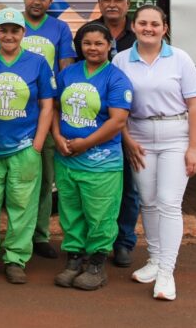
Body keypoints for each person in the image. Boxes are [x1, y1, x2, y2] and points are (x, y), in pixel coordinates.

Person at [113, 4, 196, 301]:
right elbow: (117, 107)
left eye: (155, 24)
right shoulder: (121, 60)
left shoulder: (180, 59)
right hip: (138, 137)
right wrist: (126, 138)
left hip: (174, 137)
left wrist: (194, 148)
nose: (148, 28)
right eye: (142, 23)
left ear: (165, 28)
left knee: (168, 202)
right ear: (134, 26)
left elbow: (195, 105)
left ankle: (166, 271)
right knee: (148, 203)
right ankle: (153, 260)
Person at [0, 7, 55, 285]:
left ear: (23, 33)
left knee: (23, 206)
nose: (9, 35)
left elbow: (46, 105)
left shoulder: (37, 63)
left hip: (24, 147)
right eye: (3, 29)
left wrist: (38, 144)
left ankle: (16, 258)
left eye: (14, 30)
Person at [52, 22, 132, 291]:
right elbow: (54, 108)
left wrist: (85, 143)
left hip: (101, 161)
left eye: (99, 43)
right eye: (87, 43)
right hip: (67, 158)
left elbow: (118, 121)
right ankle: (74, 258)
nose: (93, 48)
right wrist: (57, 137)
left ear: (109, 45)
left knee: (100, 214)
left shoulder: (116, 78)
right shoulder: (68, 73)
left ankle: (97, 264)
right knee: (71, 211)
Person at [73, 0, 140, 268]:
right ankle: (90, 245)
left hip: (133, 123)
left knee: (128, 188)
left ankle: (123, 242)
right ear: (99, 3)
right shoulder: (89, 34)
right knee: (94, 192)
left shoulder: (138, 34)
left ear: (127, 3)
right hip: (100, 125)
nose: (112, 3)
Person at [20, 0, 75, 260]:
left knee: (44, 179)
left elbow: (65, 69)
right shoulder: (11, 24)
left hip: (47, 110)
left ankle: (40, 235)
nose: (37, 1)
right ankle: (17, 236)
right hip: (15, 112)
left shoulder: (60, 28)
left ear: (50, 0)